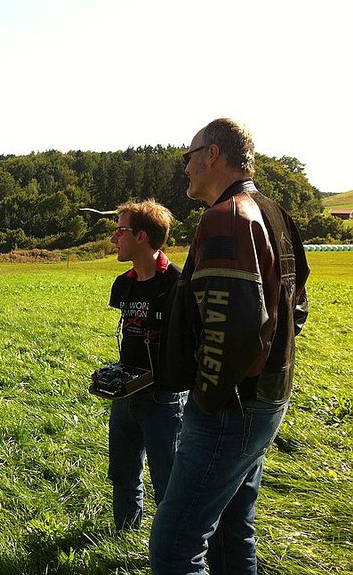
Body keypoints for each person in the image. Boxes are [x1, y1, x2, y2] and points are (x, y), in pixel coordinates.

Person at [149, 118, 310, 574]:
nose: (186, 168)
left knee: (175, 544)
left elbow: (235, 328)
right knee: (230, 533)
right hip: (267, 399)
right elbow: (297, 306)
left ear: (213, 155)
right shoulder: (274, 211)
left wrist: (208, 396)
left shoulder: (227, 218)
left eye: (189, 156)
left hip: (230, 408)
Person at [104, 199, 183, 531]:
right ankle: (125, 536)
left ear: (142, 237)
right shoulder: (124, 283)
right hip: (125, 394)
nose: (113, 239)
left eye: (119, 230)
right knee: (123, 475)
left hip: (163, 399)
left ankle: (169, 552)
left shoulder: (178, 283)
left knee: (167, 484)